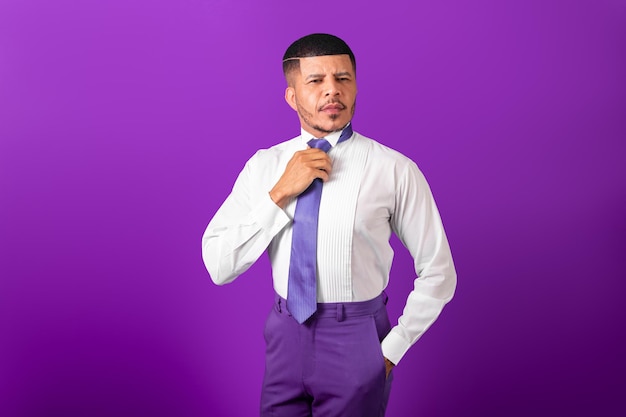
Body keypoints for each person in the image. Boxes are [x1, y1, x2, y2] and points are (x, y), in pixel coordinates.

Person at [202, 33, 456, 417]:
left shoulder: (395, 170)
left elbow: (439, 271)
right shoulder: (264, 167)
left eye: (343, 78)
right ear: (292, 96)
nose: (332, 91)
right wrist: (280, 193)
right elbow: (220, 266)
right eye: (316, 81)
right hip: (284, 335)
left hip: (358, 337)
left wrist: (392, 349)